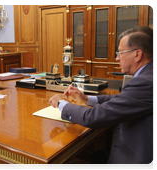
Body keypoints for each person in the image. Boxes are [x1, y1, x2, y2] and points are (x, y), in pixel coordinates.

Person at [49, 26, 155, 169]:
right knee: (97, 157)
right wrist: (86, 99)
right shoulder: (150, 74)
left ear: (137, 54)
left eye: (120, 53)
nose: (117, 58)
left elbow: (92, 118)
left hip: (137, 160)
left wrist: (61, 103)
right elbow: (123, 99)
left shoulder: (145, 82)